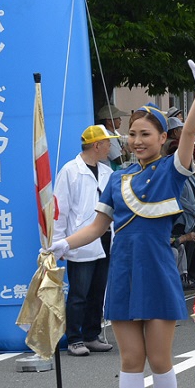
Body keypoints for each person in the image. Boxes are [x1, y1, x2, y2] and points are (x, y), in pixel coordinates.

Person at [50, 52, 195, 388]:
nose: (138, 140)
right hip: (123, 272)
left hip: (157, 271)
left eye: (147, 134)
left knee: (159, 358)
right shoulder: (118, 177)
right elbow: (96, 226)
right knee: (130, 358)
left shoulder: (170, 172)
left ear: (163, 139)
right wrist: (64, 244)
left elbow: (192, 134)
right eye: (133, 133)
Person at [53, 124, 119, 357]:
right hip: (81, 239)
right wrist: (60, 240)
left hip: (105, 237)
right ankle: (75, 338)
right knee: (79, 292)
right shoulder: (70, 171)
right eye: (107, 143)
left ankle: (92, 335)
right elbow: (60, 209)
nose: (110, 147)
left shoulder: (107, 172)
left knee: (98, 290)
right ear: (97, 145)